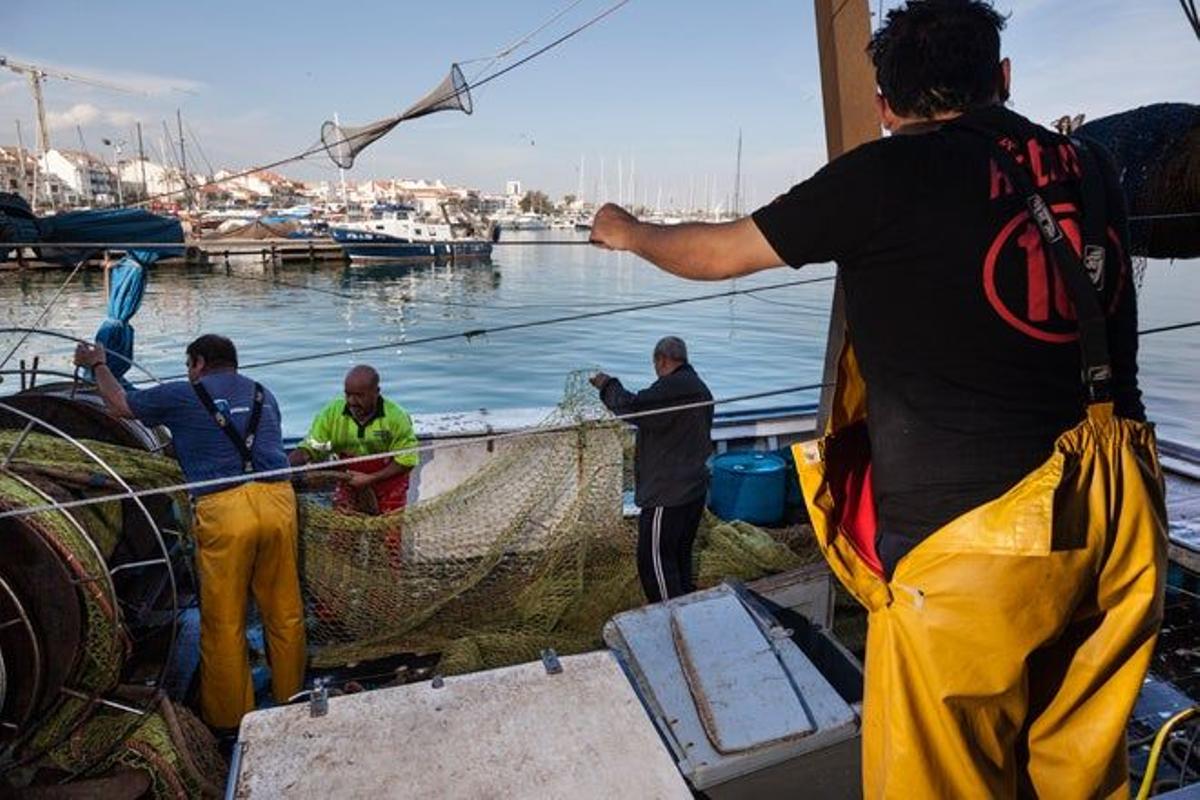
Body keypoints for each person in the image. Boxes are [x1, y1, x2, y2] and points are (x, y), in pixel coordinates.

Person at [588, 2, 1166, 796]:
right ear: (1002, 78)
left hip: (972, 539)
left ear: (886, 106)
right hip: (1119, 506)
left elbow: (717, 253)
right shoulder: (1089, 164)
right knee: (1080, 777)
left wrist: (629, 231)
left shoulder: (882, 176)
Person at [73, 334, 306, 732]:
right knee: (284, 609)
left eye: (188, 366)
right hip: (279, 502)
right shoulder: (262, 394)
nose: (188, 373)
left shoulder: (181, 395)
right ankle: (294, 700)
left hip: (225, 510)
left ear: (198, 362)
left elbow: (118, 405)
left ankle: (231, 720)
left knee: (224, 620)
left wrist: (97, 364)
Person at [590, 336, 713, 603]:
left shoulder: (672, 388)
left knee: (654, 563)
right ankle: (687, 608)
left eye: (655, 364)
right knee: (678, 558)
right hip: (693, 490)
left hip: (668, 496)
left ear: (662, 360)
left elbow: (633, 408)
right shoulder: (699, 387)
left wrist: (607, 385)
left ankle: (671, 617)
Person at [289, 365, 418, 514]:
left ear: (376, 392)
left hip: (388, 480)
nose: (352, 401)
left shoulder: (396, 417)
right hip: (349, 477)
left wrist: (371, 478)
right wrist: (285, 467)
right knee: (343, 521)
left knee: (389, 525)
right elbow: (312, 448)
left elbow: (407, 461)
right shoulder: (332, 413)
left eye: (359, 396)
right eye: (348, 394)